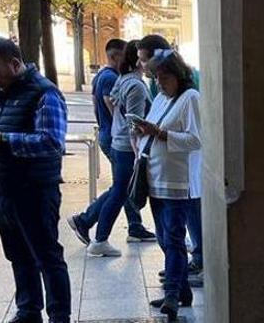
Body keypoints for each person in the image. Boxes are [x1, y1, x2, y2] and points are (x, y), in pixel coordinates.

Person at [0, 37, 71, 323]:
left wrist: (4, 140)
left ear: (14, 64)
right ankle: (28, 310)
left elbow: (52, 143)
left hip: (34, 191)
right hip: (1, 192)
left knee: (48, 258)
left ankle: (58, 316)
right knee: (18, 255)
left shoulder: (44, 94)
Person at [68, 40, 156, 250]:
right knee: (120, 191)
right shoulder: (132, 84)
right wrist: (136, 150)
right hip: (125, 145)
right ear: (138, 61)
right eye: (146, 58)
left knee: (120, 189)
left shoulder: (122, 79)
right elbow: (132, 121)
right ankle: (98, 235)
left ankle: (92, 224)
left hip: (119, 142)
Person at [135, 50, 202, 319]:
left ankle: (173, 293)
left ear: (178, 75)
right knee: (164, 237)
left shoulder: (191, 99)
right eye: (157, 78)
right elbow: (153, 126)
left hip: (177, 181)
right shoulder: (162, 98)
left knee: (174, 238)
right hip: (155, 178)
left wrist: (160, 134)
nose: (159, 83)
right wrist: (141, 130)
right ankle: (182, 289)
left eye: (164, 77)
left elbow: (196, 140)